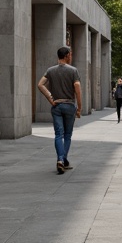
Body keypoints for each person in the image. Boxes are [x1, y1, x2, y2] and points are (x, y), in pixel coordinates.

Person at [37, 46, 82, 174]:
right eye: (71, 54)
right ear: (67, 55)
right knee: (67, 135)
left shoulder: (50, 71)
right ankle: (62, 159)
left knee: (58, 134)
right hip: (69, 106)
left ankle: (61, 160)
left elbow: (40, 84)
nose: (71, 56)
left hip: (56, 106)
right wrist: (80, 107)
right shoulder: (73, 71)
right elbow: (77, 89)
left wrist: (50, 98)